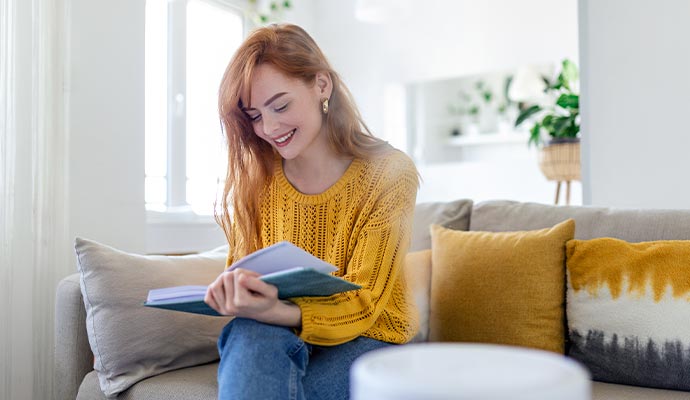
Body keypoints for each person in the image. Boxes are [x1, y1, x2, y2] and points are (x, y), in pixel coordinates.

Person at [205, 23, 419, 400]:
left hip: (368, 336)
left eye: (281, 106)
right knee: (249, 332)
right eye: (254, 116)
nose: (268, 128)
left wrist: (280, 312)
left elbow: (365, 304)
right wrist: (237, 293)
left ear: (322, 85)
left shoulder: (389, 173)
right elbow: (243, 270)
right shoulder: (258, 179)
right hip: (276, 329)